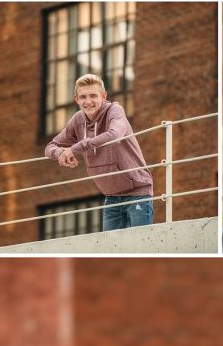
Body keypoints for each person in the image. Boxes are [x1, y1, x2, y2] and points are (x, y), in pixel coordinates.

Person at [45, 74, 154, 232]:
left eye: (93, 96)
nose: (88, 101)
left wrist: (75, 148)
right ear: (76, 99)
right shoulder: (77, 120)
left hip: (138, 193)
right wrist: (61, 153)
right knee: (110, 251)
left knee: (142, 247)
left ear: (103, 96)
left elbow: (114, 135)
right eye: (83, 97)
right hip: (111, 196)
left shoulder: (114, 111)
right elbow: (50, 146)